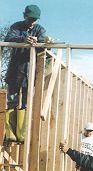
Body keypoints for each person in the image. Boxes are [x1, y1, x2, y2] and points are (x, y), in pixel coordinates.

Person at [4, 5, 46, 143]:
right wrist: (24, 39)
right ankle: (10, 134)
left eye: (34, 19)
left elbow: (45, 42)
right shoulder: (16, 26)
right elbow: (9, 38)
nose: (32, 22)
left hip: (29, 71)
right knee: (12, 101)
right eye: (30, 18)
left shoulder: (40, 29)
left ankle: (22, 134)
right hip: (15, 71)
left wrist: (38, 41)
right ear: (24, 16)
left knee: (26, 103)